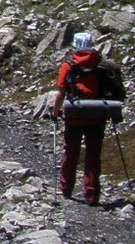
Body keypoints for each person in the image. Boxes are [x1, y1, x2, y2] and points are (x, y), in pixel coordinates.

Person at [50, 31, 125, 206]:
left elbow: (61, 92)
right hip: (97, 116)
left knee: (71, 152)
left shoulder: (68, 65)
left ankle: (66, 188)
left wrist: (55, 112)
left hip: (74, 116)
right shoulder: (101, 64)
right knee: (93, 155)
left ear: (75, 45)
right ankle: (92, 194)